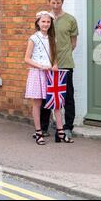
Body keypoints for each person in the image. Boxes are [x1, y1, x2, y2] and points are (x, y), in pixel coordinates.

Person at [24, 11, 73, 145]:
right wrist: (40, 66)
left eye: (48, 22)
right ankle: (39, 133)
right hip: (37, 73)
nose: (45, 24)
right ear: (38, 23)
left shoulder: (52, 38)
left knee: (56, 103)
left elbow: (53, 56)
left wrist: (55, 64)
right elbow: (26, 59)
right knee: (37, 104)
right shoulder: (33, 38)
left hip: (50, 74)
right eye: (43, 21)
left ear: (51, 24)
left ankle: (61, 132)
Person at [39, 0, 79, 138]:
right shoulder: (45, 19)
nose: (56, 6)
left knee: (68, 96)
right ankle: (43, 127)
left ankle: (68, 127)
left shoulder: (70, 20)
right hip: (47, 64)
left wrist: (63, 53)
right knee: (46, 96)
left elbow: (73, 43)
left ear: (62, 2)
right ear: (49, 2)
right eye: (53, 3)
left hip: (65, 63)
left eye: (58, 3)